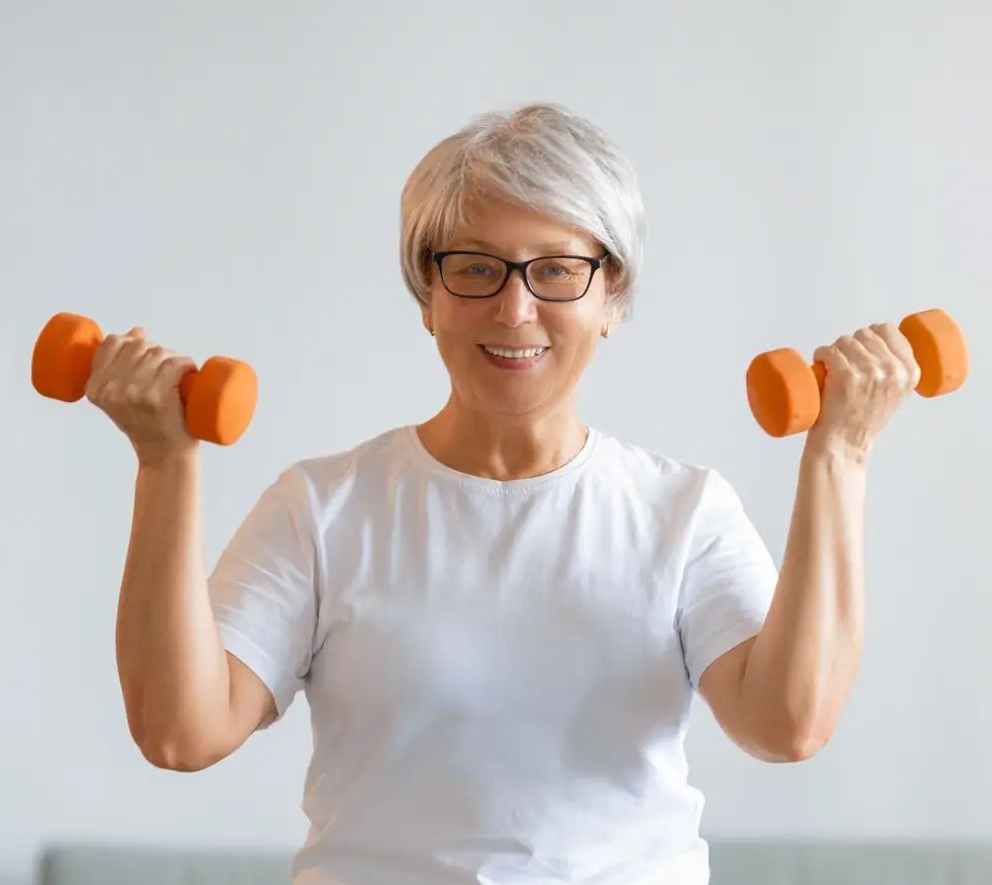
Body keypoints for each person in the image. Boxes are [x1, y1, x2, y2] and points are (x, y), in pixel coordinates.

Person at [90, 103, 923, 884]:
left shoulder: (684, 512)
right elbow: (180, 730)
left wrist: (841, 453)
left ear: (613, 300)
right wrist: (165, 462)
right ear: (429, 295)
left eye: (558, 270)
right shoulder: (322, 507)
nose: (515, 308)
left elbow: (787, 723)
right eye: (476, 268)